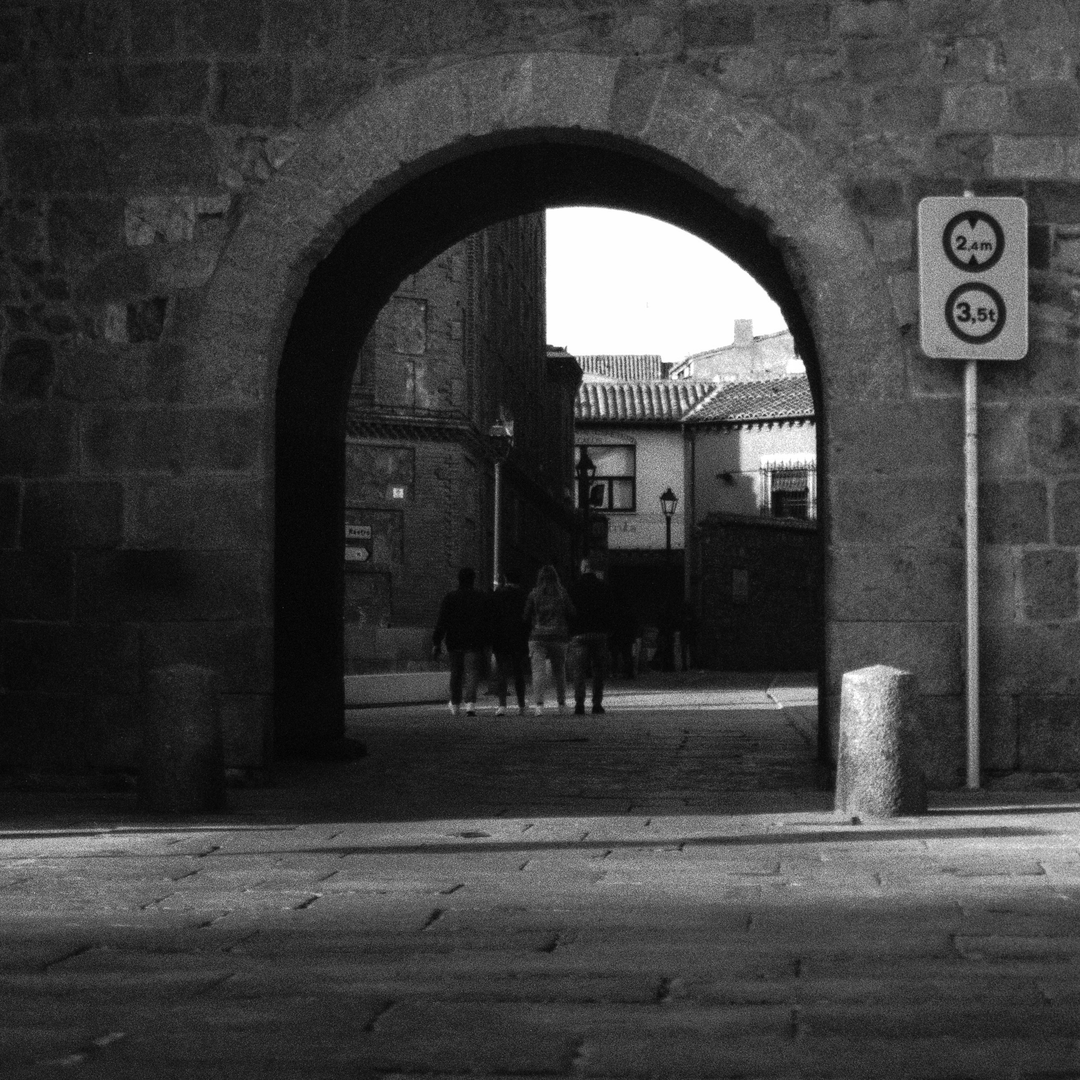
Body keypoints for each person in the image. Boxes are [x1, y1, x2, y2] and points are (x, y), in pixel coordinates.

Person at [431, 567, 490, 717]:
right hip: (474, 641)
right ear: (473, 579)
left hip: (455, 640)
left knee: (456, 673)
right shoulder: (480, 597)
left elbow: (442, 620)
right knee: (471, 672)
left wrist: (437, 641)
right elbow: (487, 621)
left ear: (459, 579)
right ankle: (470, 704)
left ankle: (455, 704)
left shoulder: (450, 597)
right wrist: (487, 639)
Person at [522, 564, 575, 715]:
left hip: (537, 636)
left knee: (538, 672)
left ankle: (539, 706)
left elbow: (526, 616)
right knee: (559, 671)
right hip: (559, 636)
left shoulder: (534, 594)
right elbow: (572, 612)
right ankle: (561, 704)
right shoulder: (562, 593)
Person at [567, 558, 618, 715]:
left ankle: (579, 704)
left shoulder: (574, 587)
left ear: (582, 568)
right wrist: (609, 630)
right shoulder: (604, 587)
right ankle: (597, 704)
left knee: (579, 671)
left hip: (579, 634)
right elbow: (611, 610)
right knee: (598, 671)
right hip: (599, 633)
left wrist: (571, 630)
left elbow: (569, 611)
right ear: (593, 569)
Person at [490, 569, 530, 716]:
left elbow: (492, 616)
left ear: (506, 579)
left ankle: (502, 705)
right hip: (519, 637)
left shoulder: (498, 594)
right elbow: (527, 617)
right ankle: (521, 705)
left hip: (500, 637)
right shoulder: (524, 595)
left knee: (502, 671)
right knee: (519, 672)